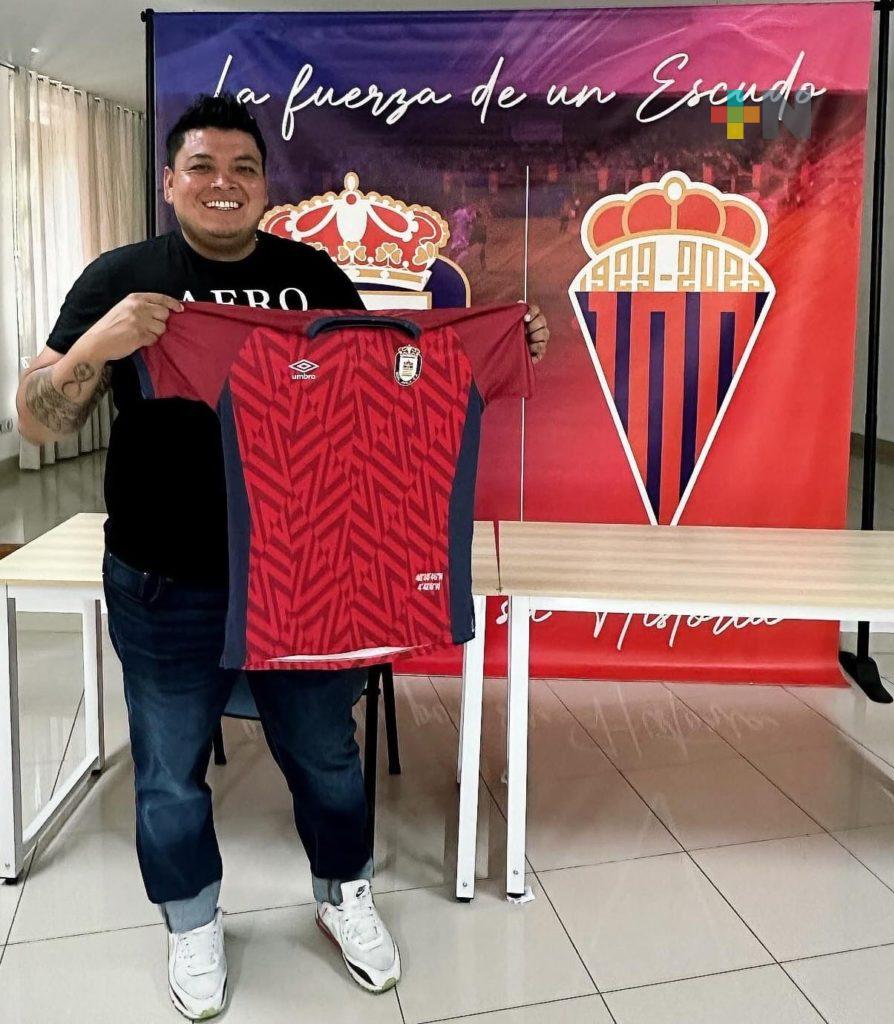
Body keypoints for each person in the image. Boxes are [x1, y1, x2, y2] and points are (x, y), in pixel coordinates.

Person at [15, 93, 550, 1021]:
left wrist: (497, 343)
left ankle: (344, 894)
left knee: (325, 755)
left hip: (309, 574)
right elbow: (33, 419)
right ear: (169, 181)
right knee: (167, 770)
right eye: (202, 167)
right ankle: (191, 921)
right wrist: (99, 345)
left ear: (264, 184)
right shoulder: (123, 277)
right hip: (164, 575)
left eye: (243, 169)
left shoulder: (311, 275)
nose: (222, 184)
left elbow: (383, 387)